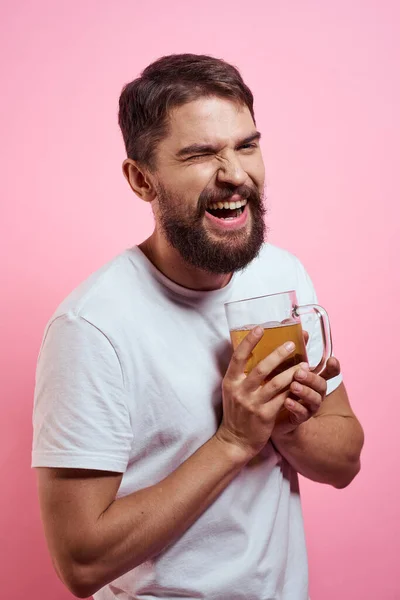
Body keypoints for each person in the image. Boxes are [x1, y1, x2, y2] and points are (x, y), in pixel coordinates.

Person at [32, 54, 364, 600]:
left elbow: (346, 460)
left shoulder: (281, 275)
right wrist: (234, 439)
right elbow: (80, 562)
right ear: (142, 180)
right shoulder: (90, 328)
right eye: (201, 154)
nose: (235, 174)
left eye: (246, 145)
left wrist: (286, 425)